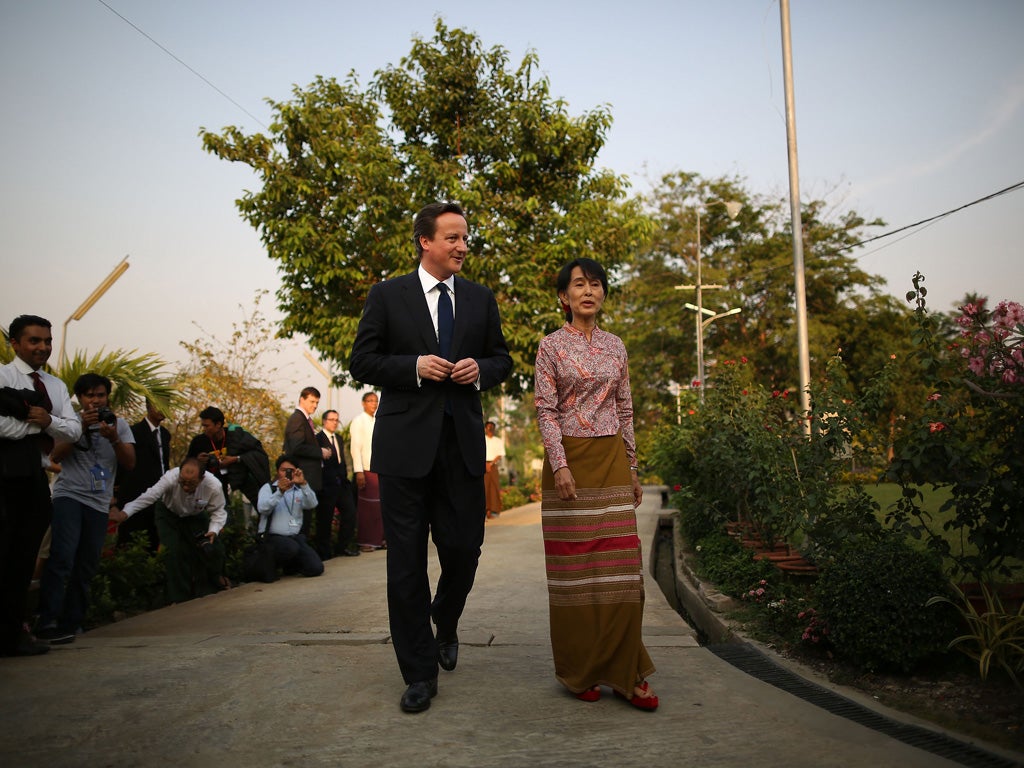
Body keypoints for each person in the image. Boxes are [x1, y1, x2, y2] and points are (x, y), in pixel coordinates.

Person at [349, 201, 512, 713]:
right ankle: (419, 673)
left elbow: (502, 358)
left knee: (464, 549)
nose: (463, 246)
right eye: (453, 238)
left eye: (466, 237)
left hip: (461, 447)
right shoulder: (387, 295)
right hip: (402, 451)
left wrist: (479, 370)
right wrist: (414, 366)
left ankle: (446, 615)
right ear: (425, 241)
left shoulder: (481, 299)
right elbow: (362, 361)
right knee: (405, 567)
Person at [533, 257, 658, 711]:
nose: (589, 291)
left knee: (622, 571)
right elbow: (546, 410)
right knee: (576, 575)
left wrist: (633, 466)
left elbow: (625, 409)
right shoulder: (550, 347)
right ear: (564, 298)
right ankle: (579, 671)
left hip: (609, 460)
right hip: (568, 464)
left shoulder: (616, 347)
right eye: (579, 285)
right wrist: (559, 464)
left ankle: (628, 673)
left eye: (596, 284)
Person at [0, 315, 82, 656]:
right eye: (34, 341)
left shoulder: (56, 385)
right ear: (15, 343)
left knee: (22, 560)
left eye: (47, 341)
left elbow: (74, 431)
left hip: (33, 479)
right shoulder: (2, 376)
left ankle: (13, 635)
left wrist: (48, 420)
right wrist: (43, 427)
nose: (43, 347)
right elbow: (2, 427)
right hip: (3, 476)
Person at [36, 373, 136, 644]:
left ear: (107, 398)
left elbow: (129, 463)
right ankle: (47, 620)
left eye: (100, 395)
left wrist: (113, 437)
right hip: (69, 496)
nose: (95, 401)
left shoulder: (120, 425)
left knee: (87, 564)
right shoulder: (69, 423)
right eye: (89, 396)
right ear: (80, 399)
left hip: (99, 502)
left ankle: (72, 622)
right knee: (62, 556)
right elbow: (55, 455)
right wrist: (79, 426)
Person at [110, 457, 228, 604]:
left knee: (212, 548)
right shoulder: (170, 478)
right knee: (173, 551)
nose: (185, 487)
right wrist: (125, 513)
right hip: (168, 513)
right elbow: (149, 496)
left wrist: (213, 530)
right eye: (182, 482)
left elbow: (218, 511)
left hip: (195, 516)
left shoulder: (213, 485)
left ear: (201, 478)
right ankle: (179, 597)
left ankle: (212, 583)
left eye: (191, 484)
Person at [186, 406, 269, 508]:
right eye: (203, 426)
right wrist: (197, 461)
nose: (204, 429)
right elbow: (187, 464)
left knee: (261, 505)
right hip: (212, 484)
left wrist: (236, 459)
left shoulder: (236, 436)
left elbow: (259, 454)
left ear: (218, 424)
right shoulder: (198, 442)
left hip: (240, 478)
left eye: (207, 426)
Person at [115, 399, 170, 552]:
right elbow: (123, 463)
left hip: (158, 497)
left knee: (153, 543)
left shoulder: (165, 434)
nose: (161, 409)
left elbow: (164, 464)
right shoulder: (135, 431)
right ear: (148, 406)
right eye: (157, 405)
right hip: (134, 495)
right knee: (131, 544)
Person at [255, 455, 324, 577]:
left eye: (291, 471)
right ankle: (273, 565)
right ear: (277, 471)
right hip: (273, 537)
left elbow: (312, 504)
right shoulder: (269, 488)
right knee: (290, 548)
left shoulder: (299, 489)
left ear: (296, 471)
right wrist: (279, 492)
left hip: (295, 537)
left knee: (316, 568)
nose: (287, 473)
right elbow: (262, 508)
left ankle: (292, 566)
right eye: (283, 470)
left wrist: (304, 483)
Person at [283, 387, 328, 537]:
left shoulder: (305, 420)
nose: (314, 405)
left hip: (307, 478)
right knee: (301, 522)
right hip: (301, 476)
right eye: (312, 401)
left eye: (317, 402)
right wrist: (320, 452)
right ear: (302, 399)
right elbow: (297, 447)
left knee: (306, 521)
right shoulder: (297, 418)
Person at [315, 410, 359, 558]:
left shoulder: (339, 438)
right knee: (325, 519)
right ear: (324, 421)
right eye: (331, 419)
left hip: (342, 484)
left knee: (350, 513)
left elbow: (342, 461)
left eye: (336, 420)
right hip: (327, 485)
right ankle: (324, 551)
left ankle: (343, 546)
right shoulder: (318, 439)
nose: (334, 422)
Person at [349, 391, 383, 551]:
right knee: (367, 508)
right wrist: (358, 471)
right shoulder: (358, 421)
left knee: (380, 507)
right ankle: (366, 541)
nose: (373, 404)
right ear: (363, 403)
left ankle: (378, 539)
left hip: (379, 467)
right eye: (370, 401)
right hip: (366, 468)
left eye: (375, 401)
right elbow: (355, 447)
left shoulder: (377, 420)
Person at [483, 420, 505, 520]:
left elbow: (500, 454)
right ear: (485, 428)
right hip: (483, 465)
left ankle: (493, 510)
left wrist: (491, 464)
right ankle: (485, 510)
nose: (490, 429)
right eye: (488, 427)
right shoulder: (482, 439)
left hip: (493, 465)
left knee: (494, 487)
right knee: (484, 487)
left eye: (492, 427)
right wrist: (485, 464)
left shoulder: (498, 441)